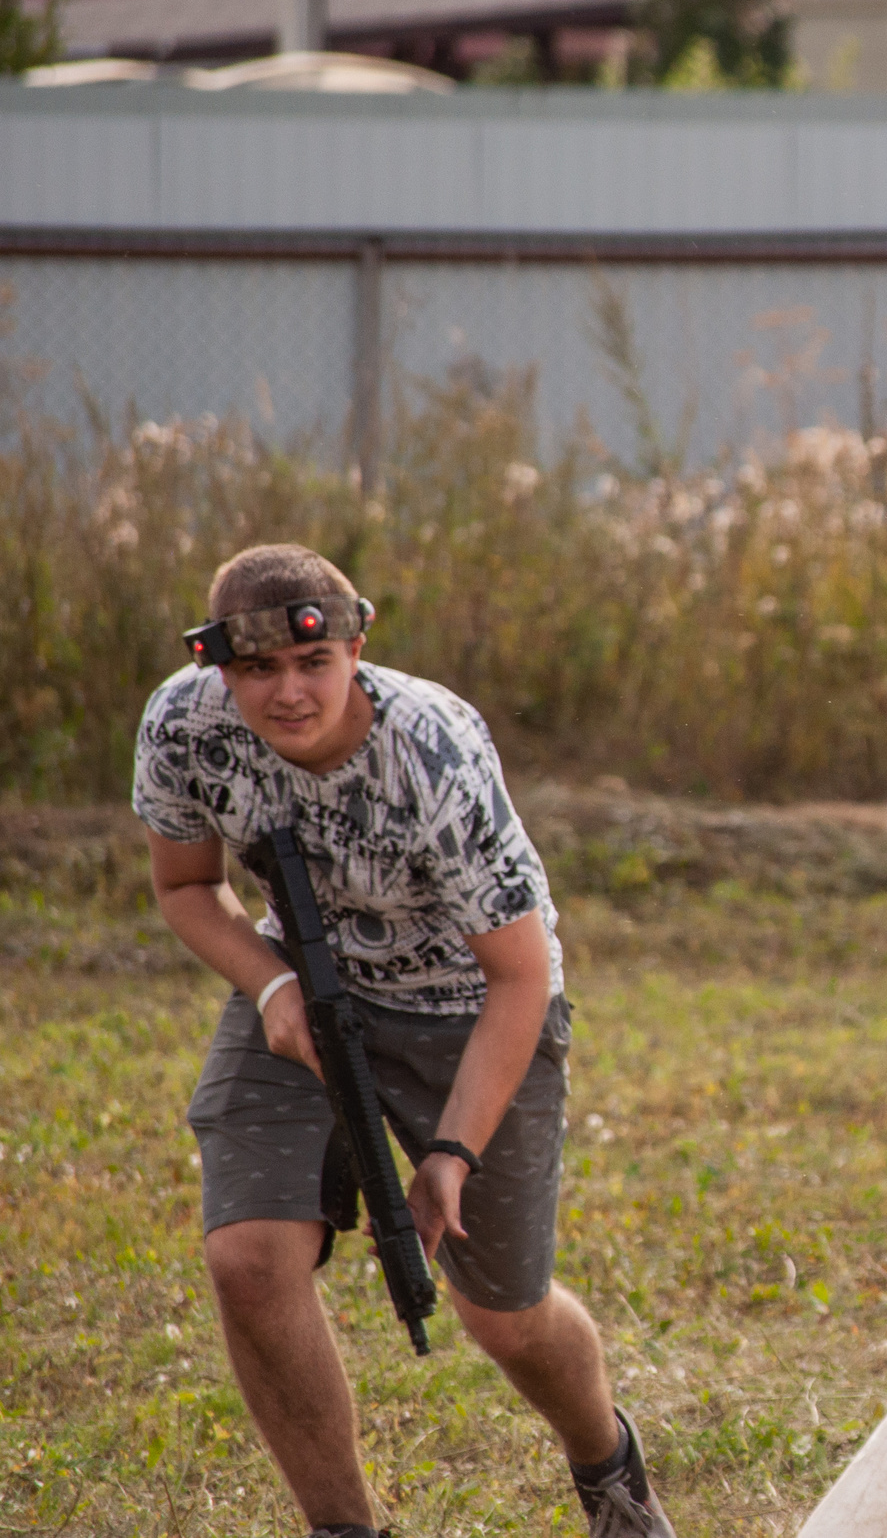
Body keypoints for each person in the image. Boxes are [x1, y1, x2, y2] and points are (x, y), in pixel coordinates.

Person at [132, 544, 676, 1538]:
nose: (288, 694)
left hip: (470, 1002)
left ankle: (607, 1465)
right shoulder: (184, 724)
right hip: (302, 984)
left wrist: (452, 1153)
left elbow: (520, 975)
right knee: (248, 1259)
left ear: (356, 647)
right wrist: (274, 986)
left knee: (501, 1315)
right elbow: (182, 887)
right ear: (219, 668)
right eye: (257, 671)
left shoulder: (431, 751)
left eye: (312, 664)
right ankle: (348, 1530)